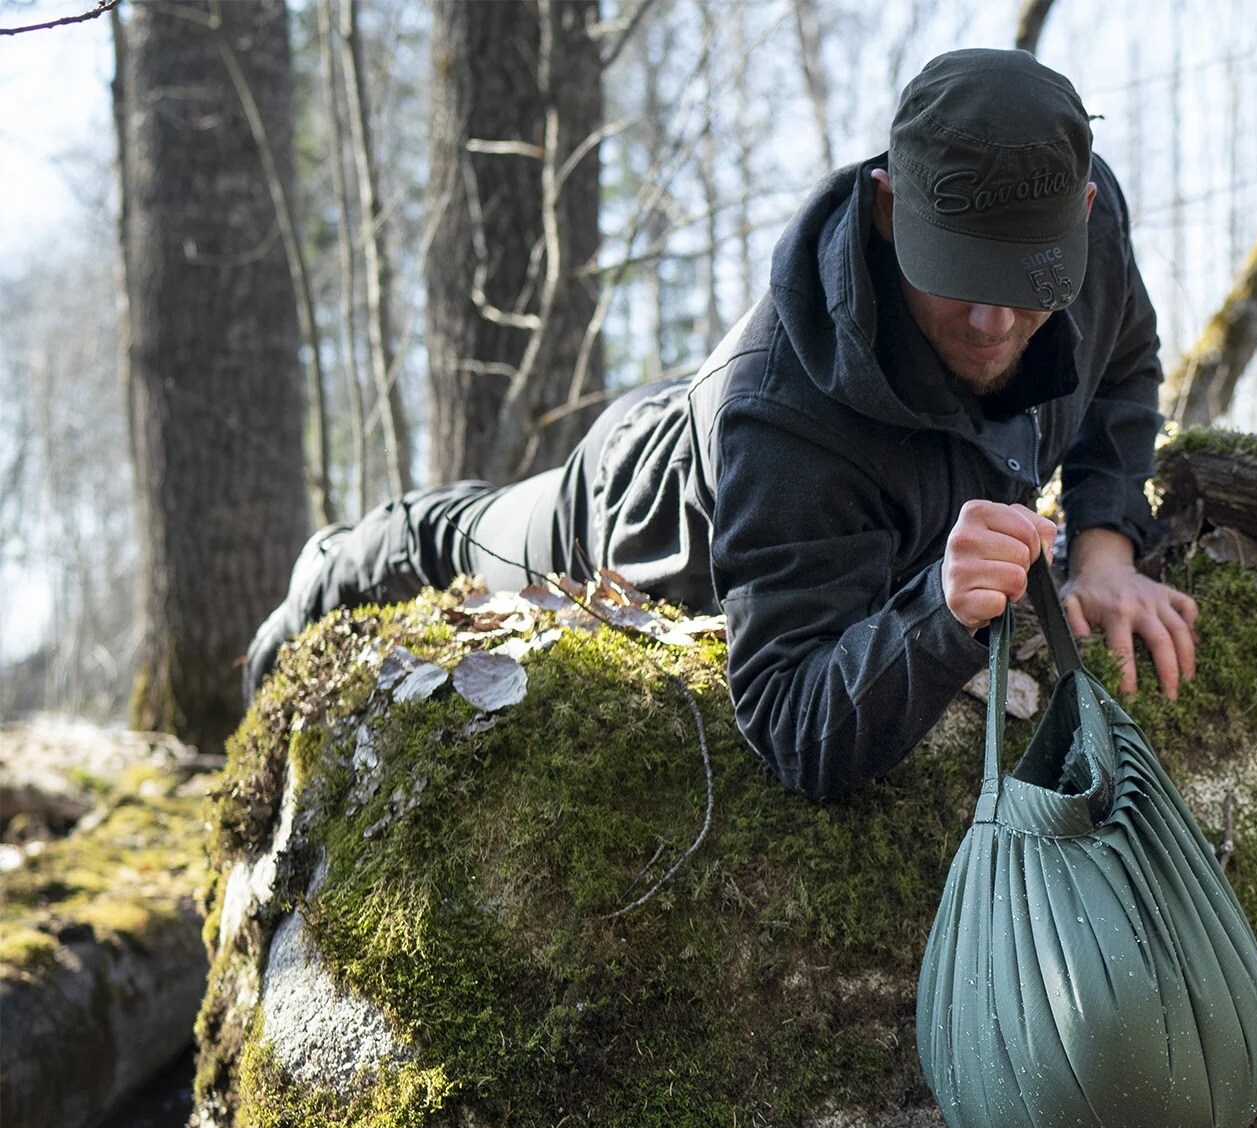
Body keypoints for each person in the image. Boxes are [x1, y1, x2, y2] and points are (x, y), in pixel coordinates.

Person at [246, 47, 1197, 801]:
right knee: (468, 535)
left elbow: (1122, 365)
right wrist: (934, 613)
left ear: (1080, 214)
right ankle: (337, 563)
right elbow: (789, 721)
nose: (993, 325)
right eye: (957, 277)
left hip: (740, 438)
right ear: (887, 207)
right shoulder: (779, 420)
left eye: (1023, 285)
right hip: (646, 504)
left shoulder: (1084, 231)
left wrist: (1106, 551)